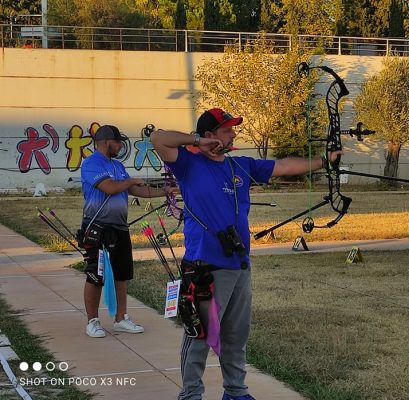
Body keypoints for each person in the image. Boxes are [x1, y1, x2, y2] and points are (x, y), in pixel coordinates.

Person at [151, 108, 342, 400]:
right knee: (200, 335)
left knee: (235, 336)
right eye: (227, 129)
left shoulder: (241, 165)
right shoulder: (188, 164)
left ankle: (236, 392)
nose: (234, 134)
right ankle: (191, 395)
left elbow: (283, 166)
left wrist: (323, 162)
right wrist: (196, 141)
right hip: (205, 265)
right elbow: (158, 138)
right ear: (210, 135)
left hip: (238, 264)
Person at [80, 124, 176, 338]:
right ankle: (92, 321)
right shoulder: (91, 164)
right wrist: (131, 180)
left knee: (121, 275)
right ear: (106, 142)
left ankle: (120, 318)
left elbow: (136, 189)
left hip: (119, 227)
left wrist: (165, 190)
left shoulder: (118, 166)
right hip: (97, 228)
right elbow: (110, 188)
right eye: (118, 141)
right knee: (96, 275)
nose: (121, 145)